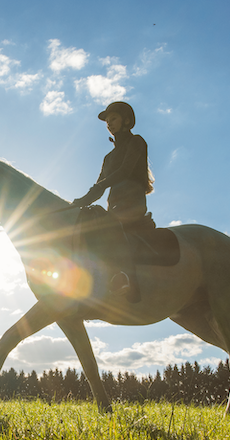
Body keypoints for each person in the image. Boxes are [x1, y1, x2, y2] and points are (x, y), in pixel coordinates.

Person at [71, 101, 154, 303]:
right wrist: (78, 203)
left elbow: (124, 172)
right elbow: (99, 186)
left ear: (126, 121)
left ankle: (126, 279)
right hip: (114, 205)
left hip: (132, 204)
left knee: (108, 223)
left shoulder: (137, 142)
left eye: (113, 119)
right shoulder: (108, 157)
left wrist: (97, 188)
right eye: (107, 121)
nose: (109, 124)